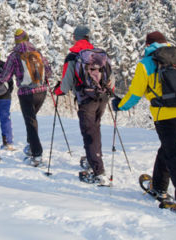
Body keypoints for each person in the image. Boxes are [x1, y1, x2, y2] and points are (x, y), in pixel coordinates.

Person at [112, 31, 176, 217]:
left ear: (148, 45)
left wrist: (120, 105)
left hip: (164, 114)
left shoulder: (146, 64)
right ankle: (159, 187)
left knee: (172, 155)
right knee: (168, 149)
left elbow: (135, 94)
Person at [54, 25, 112, 186]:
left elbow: (65, 85)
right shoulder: (99, 54)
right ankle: (92, 159)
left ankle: (98, 172)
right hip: (102, 98)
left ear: (75, 37)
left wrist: (58, 91)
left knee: (89, 134)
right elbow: (110, 77)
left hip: (86, 100)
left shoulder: (73, 56)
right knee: (95, 130)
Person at [0, 28, 52, 166]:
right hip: (41, 92)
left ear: (16, 41)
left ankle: (37, 155)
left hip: (26, 94)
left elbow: (5, 76)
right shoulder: (37, 53)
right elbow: (49, 73)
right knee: (32, 121)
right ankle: (31, 146)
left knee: (30, 122)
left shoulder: (14, 56)